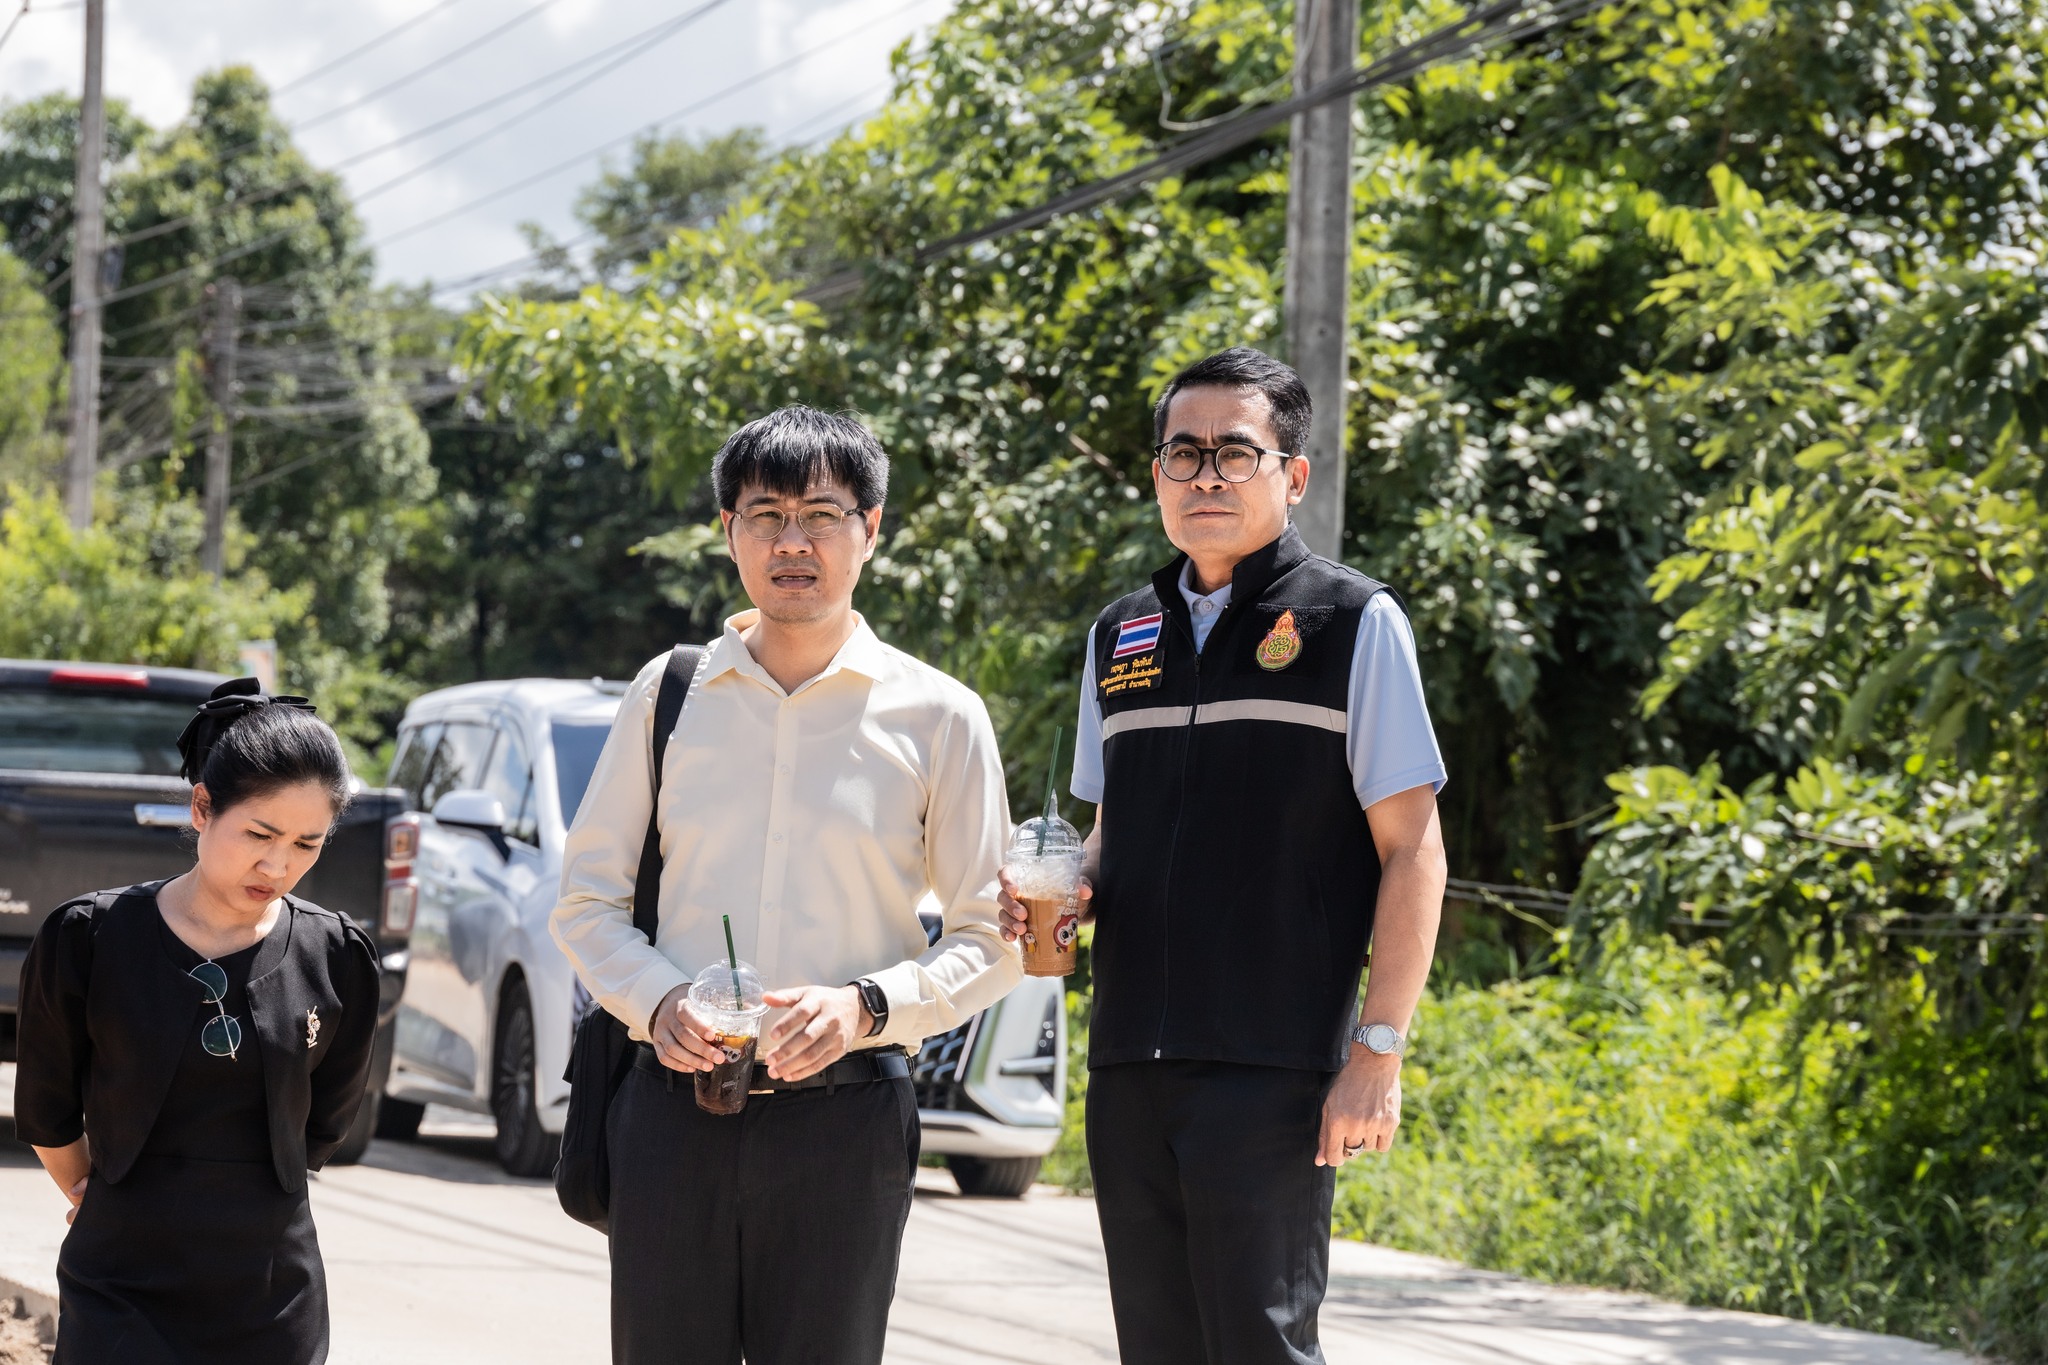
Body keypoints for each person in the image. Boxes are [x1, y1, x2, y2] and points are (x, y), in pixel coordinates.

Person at [1000, 347, 1449, 1365]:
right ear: (1153, 474)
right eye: (1181, 453)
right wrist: (1062, 888)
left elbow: (1412, 849)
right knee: (1156, 1348)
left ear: (1290, 475)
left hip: (1272, 1069)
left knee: (1258, 1345)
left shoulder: (1350, 622)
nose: (1204, 476)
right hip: (1128, 1068)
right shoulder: (1120, 635)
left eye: (1233, 454)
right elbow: (1115, 825)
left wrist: (1376, 1052)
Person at [552, 405, 1023, 1365]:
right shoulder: (669, 693)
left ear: (873, 528)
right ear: (729, 533)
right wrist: (659, 999)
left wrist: (867, 1005)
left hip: (847, 1126)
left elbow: (993, 936)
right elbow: (587, 901)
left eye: (822, 512)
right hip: (672, 1114)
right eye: (765, 514)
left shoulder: (939, 715)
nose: (792, 541)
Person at [14, 678, 381, 1365]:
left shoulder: (336, 956)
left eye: (307, 843)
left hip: (271, 1288)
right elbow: (46, 1106)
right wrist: (100, 1192)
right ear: (202, 807)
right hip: (119, 1279)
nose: (278, 864)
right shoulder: (91, 938)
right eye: (261, 833)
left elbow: (326, 1118)